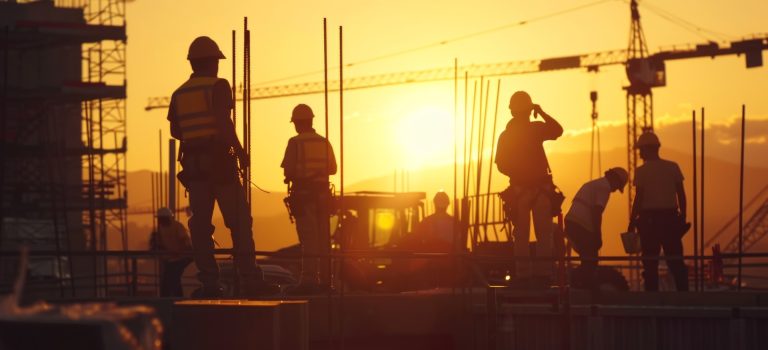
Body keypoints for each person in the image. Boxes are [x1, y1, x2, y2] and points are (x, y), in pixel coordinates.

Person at [167, 36, 275, 297]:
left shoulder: (179, 93)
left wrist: (197, 137)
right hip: (219, 164)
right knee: (238, 221)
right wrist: (240, 152)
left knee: (201, 226)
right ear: (212, 62)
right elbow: (224, 122)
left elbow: (176, 130)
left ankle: (210, 283)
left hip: (195, 168)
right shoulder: (218, 86)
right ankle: (249, 277)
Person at [495, 91, 563, 285]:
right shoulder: (535, 129)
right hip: (538, 190)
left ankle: (523, 275)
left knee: (521, 235)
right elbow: (557, 130)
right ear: (528, 109)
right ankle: (543, 274)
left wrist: (517, 173)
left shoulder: (507, 135)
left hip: (520, 190)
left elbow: (500, 164)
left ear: (512, 111)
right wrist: (540, 112)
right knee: (544, 234)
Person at [281, 104, 337, 294]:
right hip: (323, 196)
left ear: (297, 123)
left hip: (304, 197)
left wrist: (298, 174)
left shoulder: (295, 142)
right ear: (311, 120)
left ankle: (309, 280)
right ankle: (325, 281)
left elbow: (288, 171)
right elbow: (333, 169)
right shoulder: (323, 142)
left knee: (308, 238)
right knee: (323, 239)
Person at [629, 130, 689, 291]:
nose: (640, 154)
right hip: (670, 219)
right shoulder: (672, 167)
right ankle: (685, 297)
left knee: (650, 263)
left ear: (648, 149)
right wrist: (682, 217)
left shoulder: (641, 171)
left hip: (649, 221)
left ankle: (652, 300)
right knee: (676, 261)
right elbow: (681, 195)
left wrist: (631, 221)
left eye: (641, 150)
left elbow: (639, 199)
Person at [564, 168, 628, 290]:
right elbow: (596, 212)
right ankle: (584, 285)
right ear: (615, 179)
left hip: (572, 222)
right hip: (580, 224)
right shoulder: (605, 187)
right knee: (591, 258)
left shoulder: (595, 184)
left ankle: (581, 283)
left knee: (588, 257)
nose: (615, 190)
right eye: (617, 186)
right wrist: (598, 235)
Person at [150, 207, 193, 297]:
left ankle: (168, 298)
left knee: (171, 279)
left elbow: (185, 242)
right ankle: (176, 298)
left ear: (167, 218)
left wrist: (180, 252)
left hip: (182, 258)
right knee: (173, 280)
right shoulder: (160, 229)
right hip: (172, 259)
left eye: (161, 218)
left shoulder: (177, 226)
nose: (160, 220)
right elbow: (157, 244)